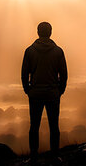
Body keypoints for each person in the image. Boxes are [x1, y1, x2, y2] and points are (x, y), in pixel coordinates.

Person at [21, 21, 68, 157]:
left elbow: (24, 73)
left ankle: (33, 157)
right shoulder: (58, 51)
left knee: (34, 127)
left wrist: (28, 90)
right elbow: (63, 74)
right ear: (51, 32)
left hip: (35, 93)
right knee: (54, 127)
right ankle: (55, 156)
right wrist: (60, 90)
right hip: (53, 93)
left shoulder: (29, 51)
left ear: (37, 32)